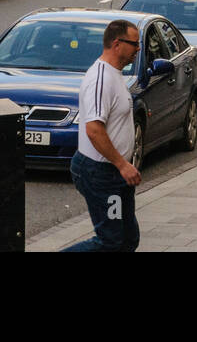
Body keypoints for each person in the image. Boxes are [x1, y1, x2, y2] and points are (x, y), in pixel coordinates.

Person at [64, 20, 144, 252]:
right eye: (134, 44)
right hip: (101, 174)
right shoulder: (100, 79)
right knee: (110, 241)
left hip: (116, 174)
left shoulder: (114, 74)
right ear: (117, 44)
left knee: (127, 238)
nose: (138, 49)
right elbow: (94, 130)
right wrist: (122, 164)